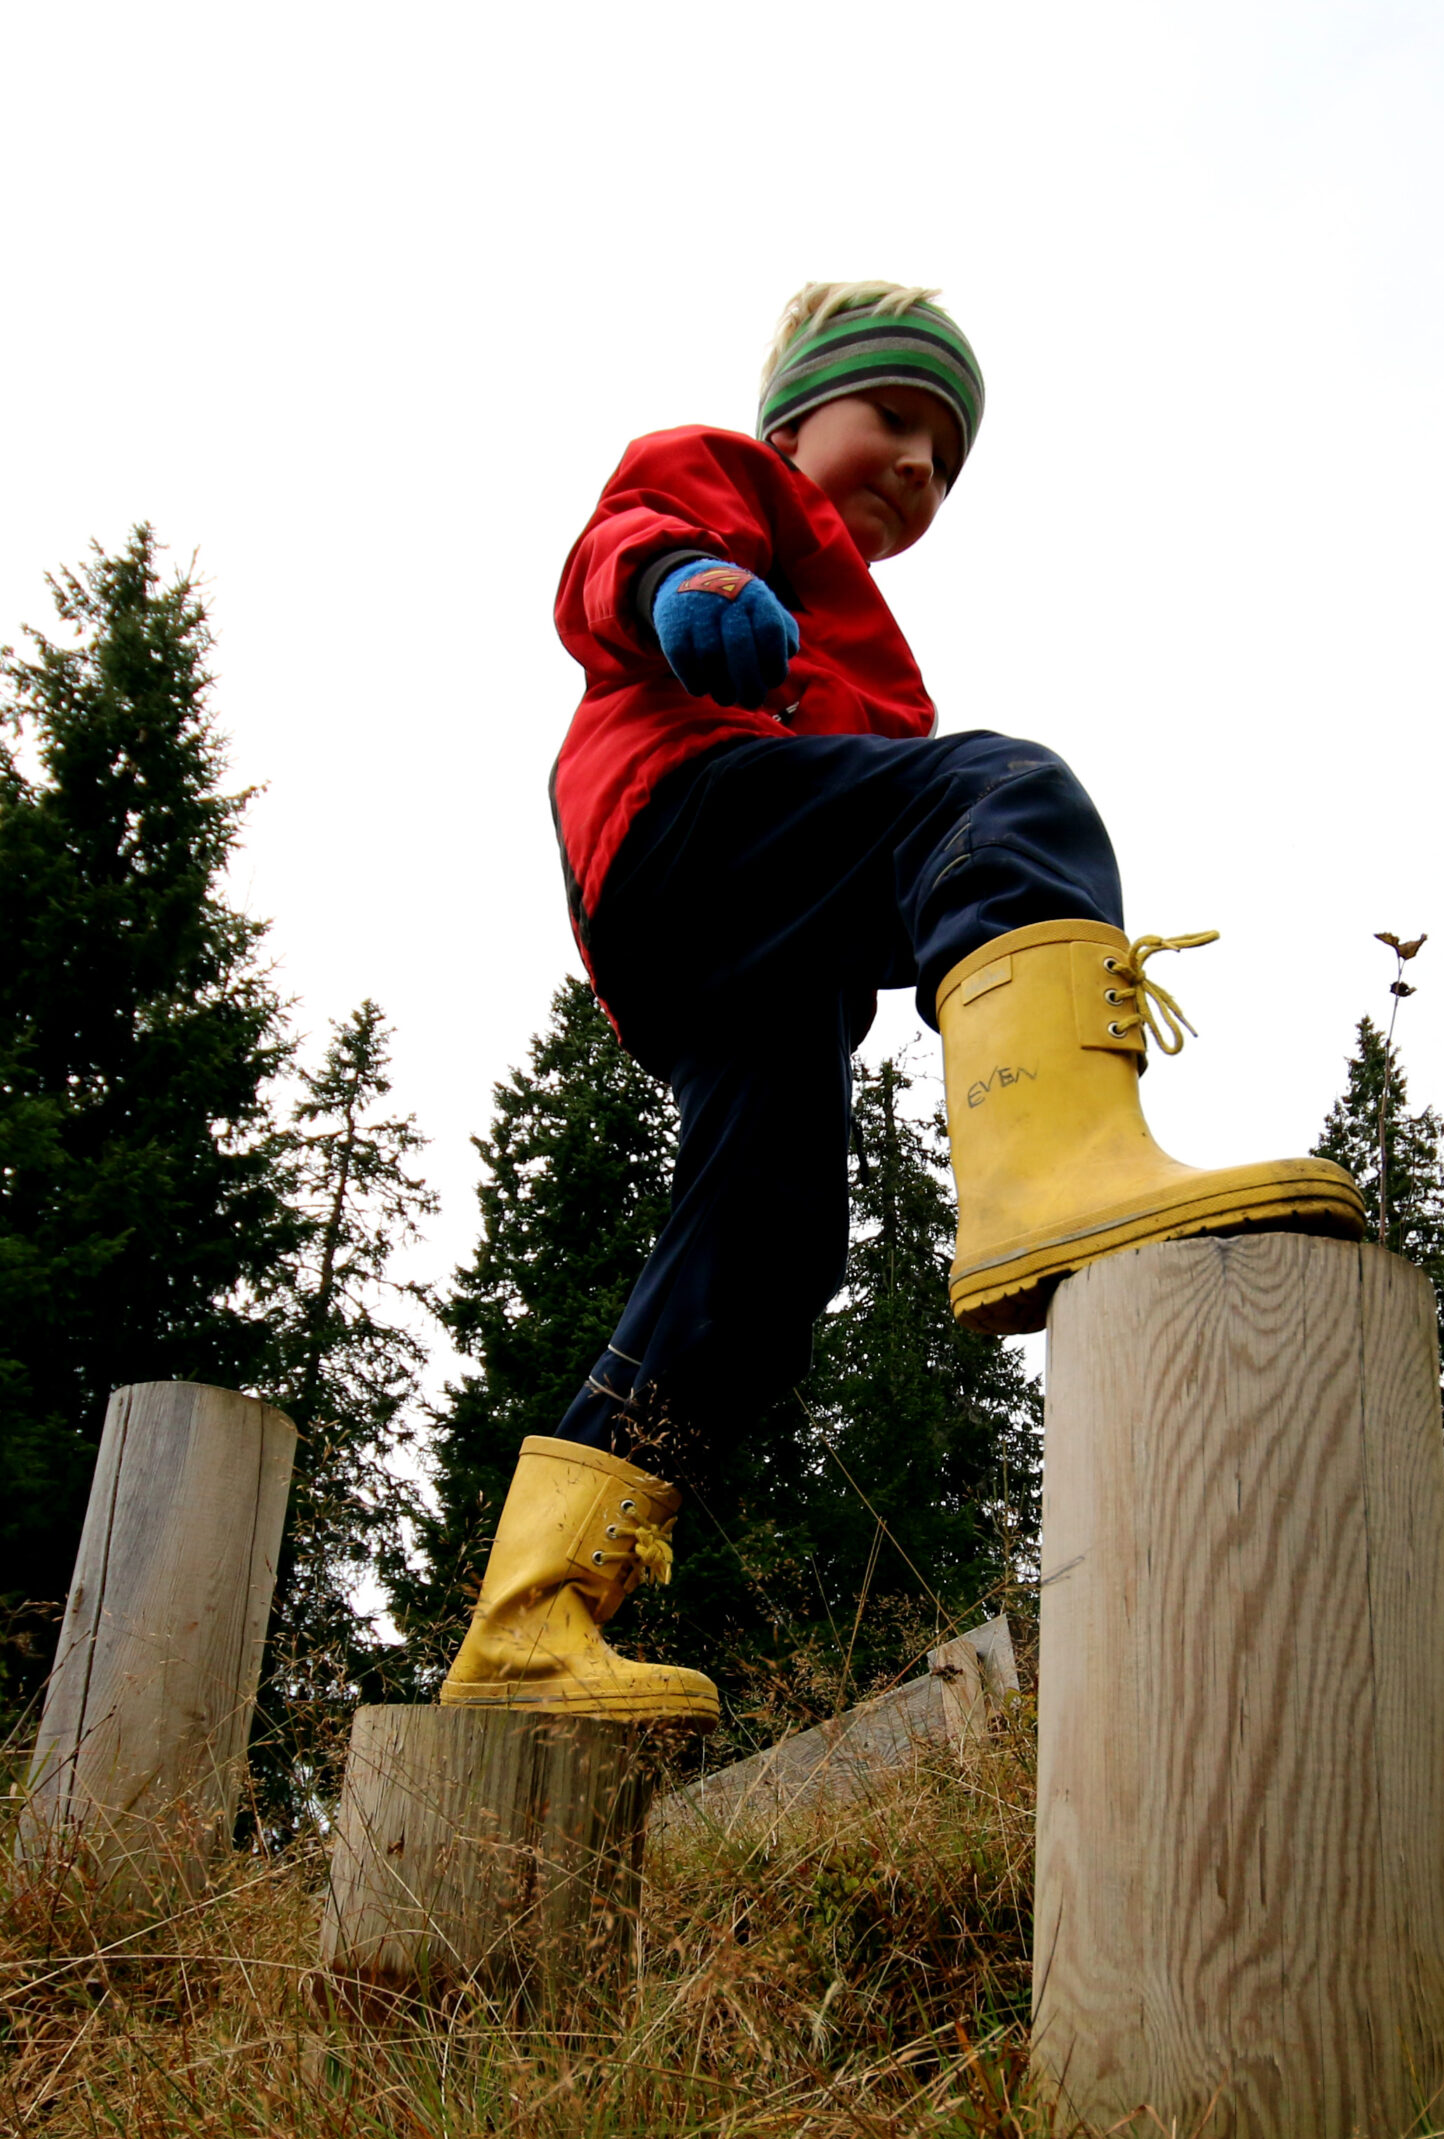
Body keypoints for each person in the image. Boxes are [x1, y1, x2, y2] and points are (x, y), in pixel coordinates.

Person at [439, 283, 1364, 1720]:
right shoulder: (730, 478)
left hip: (747, 960)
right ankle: (1054, 1166)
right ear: (796, 417)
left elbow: (866, 844)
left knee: (771, 1239)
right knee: (1004, 794)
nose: (923, 467)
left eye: (949, 458)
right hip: (678, 818)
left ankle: (531, 1618)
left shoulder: (880, 674)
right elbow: (616, 547)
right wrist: (685, 584)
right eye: (897, 419)